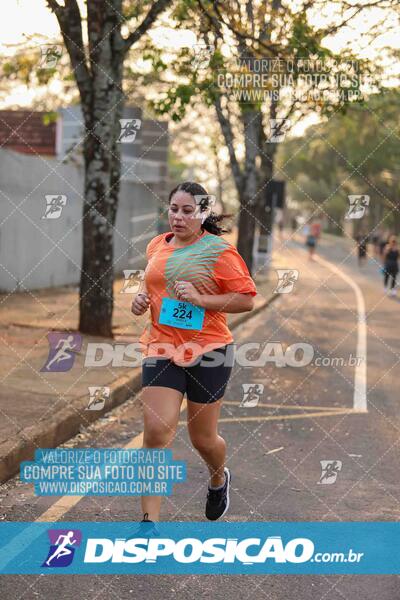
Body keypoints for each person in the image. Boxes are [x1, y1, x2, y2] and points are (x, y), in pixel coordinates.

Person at [131, 181, 257, 529]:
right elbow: (150, 287)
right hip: (161, 348)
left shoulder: (219, 252)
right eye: (174, 209)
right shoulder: (157, 245)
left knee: (202, 438)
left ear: (203, 214)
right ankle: (148, 524)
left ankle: (218, 477)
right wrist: (139, 300)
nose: (179, 217)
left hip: (210, 352)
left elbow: (246, 299)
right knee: (156, 432)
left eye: (188, 211)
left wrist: (202, 300)